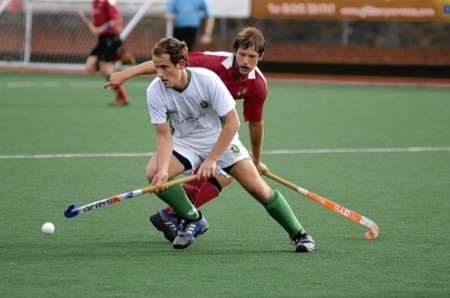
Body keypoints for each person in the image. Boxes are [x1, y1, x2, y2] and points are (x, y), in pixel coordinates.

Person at [146, 37, 315, 252]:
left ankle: (300, 234)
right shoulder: (154, 90)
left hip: (220, 139)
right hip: (185, 141)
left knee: (258, 190)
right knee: (153, 173)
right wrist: (162, 172)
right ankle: (193, 218)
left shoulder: (207, 80)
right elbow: (163, 135)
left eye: (164, 67)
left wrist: (212, 159)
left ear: (181, 64)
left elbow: (233, 122)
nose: (159, 73)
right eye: (156, 67)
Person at [106, 27, 273, 242]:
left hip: (219, 123)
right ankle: (179, 213)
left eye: (252, 57)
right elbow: (165, 65)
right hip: (189, 122)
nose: (246, 61)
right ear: (234, 52)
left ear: (260, 57)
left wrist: (257, 161)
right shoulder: (210, 65)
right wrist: (126, 74)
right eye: (242, 54)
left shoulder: (257, 85)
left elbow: (255, 124)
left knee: (226, 175)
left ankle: (173, 214)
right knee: (218, 172)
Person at [80, 0, 129, 106]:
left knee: (106, 71)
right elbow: (96, 22)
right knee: (89, 68)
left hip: (112, 39)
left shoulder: (109, 2)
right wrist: (92, 25)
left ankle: (122, 97)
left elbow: (116, 20)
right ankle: (117, 59)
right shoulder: (94, 2)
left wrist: (101, 28)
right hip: (102, 39)